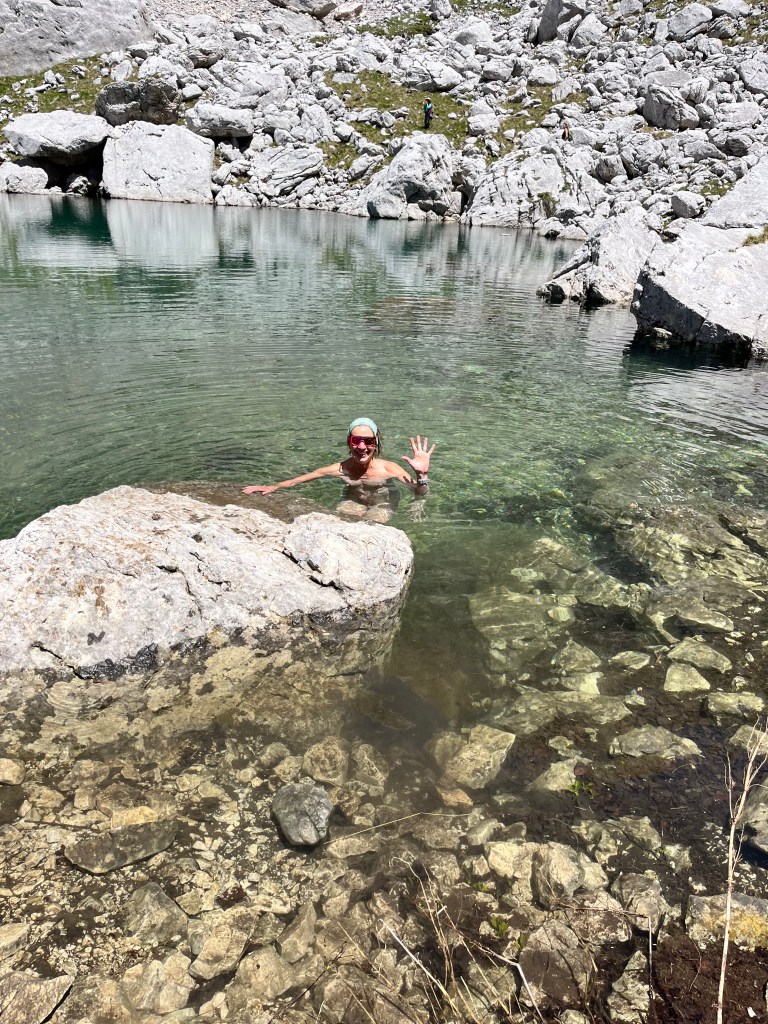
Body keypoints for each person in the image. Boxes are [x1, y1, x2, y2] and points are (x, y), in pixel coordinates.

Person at [242, 418, 436, 522]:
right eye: (356, 440)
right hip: (353, 501)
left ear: (375, 444)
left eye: (368, 441)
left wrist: (422, 475)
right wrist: (273, 486)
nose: (362, 446)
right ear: (349, 443)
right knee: (341, 524)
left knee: (371, 528)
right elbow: (303, 479)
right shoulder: (340, 469)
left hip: (382, 503)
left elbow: (420, 493)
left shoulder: (389, 468)